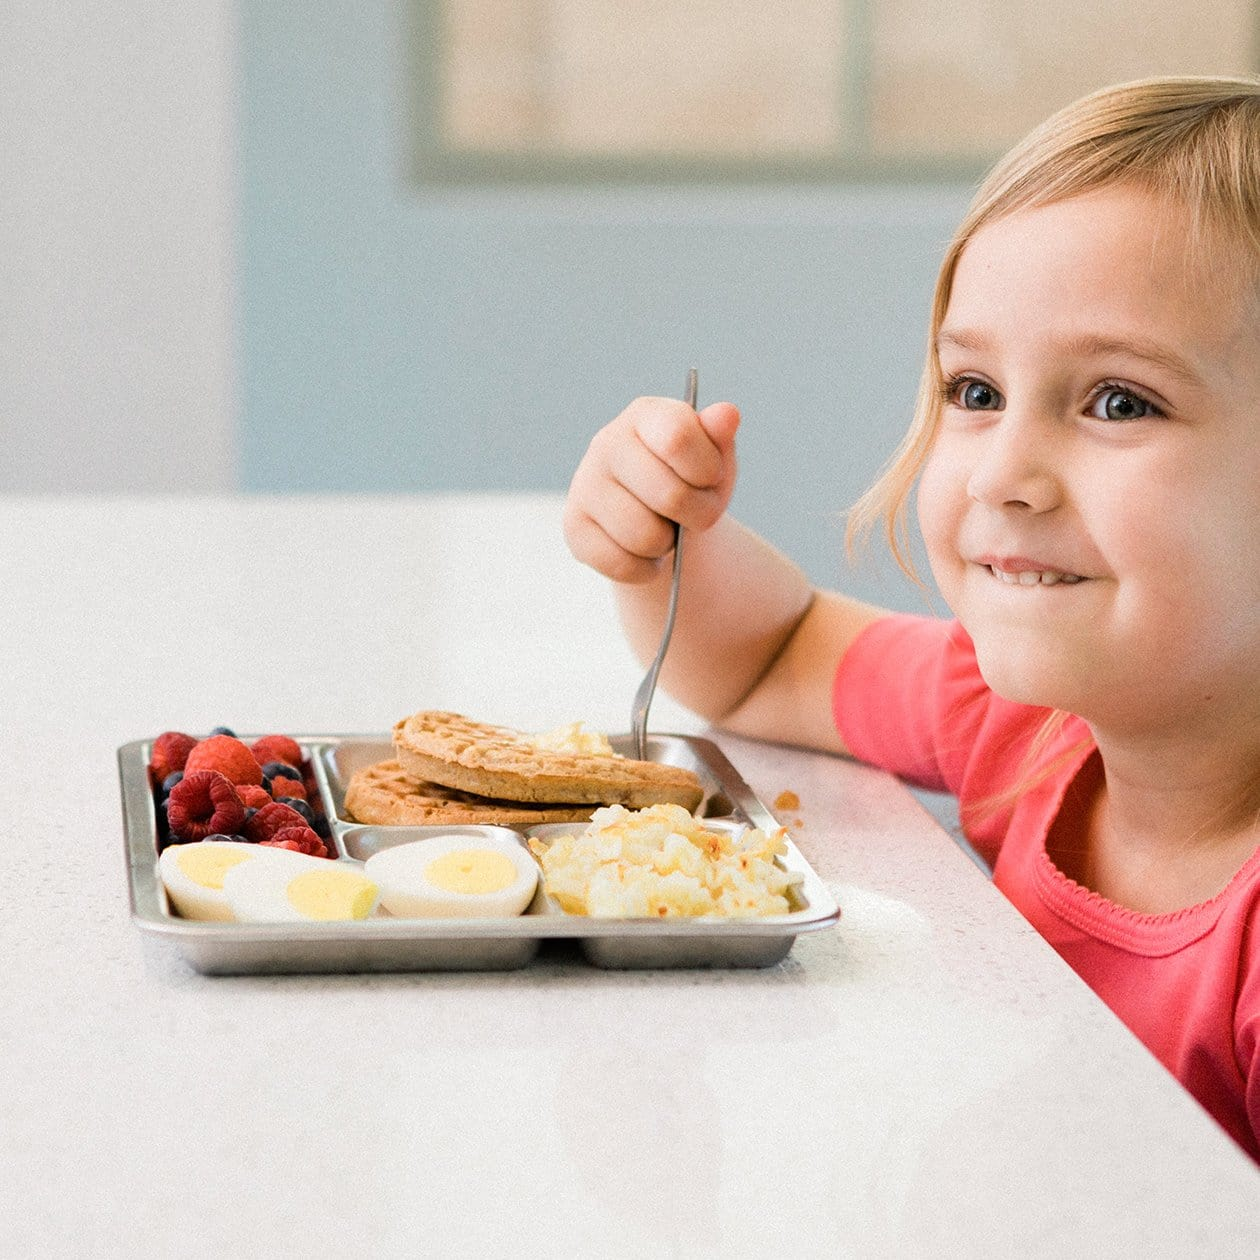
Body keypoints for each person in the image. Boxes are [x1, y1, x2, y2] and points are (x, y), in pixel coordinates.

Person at [562, 76, 1260, 1163]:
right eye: (974, 391)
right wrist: (665, 538)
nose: (1004, 475)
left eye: (1119, 402)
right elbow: (769, 657)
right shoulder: (1026, 729)